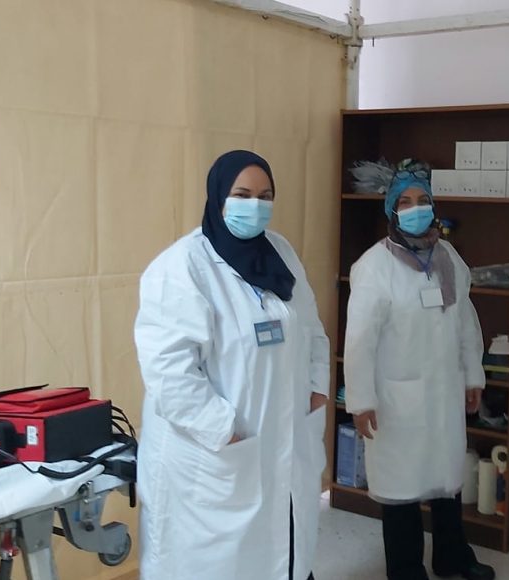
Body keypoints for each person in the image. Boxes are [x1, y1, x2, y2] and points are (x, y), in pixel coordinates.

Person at [134, 150, 330, 580]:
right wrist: (224, 429)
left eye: (265, 195)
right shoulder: (182, 267)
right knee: (219, 562)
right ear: (219, 195)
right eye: (242, 194)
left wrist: (317, 387)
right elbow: (170, 373)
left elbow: (311, 327)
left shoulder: (280, 252)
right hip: (214, 454)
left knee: (283, 546)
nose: (255, 206)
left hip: (281, 440)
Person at [344, 167, 496, 580]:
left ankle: (452, 556)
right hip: (396, 399)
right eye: (405, 203)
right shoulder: (374, 266)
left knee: (448, 479)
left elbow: (466, 322)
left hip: (444, 393)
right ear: (392, 211)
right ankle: (406, 570)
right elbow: (359, 341)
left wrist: (473, 376)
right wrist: (360, 400)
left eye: (423, 201)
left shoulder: (448, 258)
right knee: (402, 489)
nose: (416, 210)